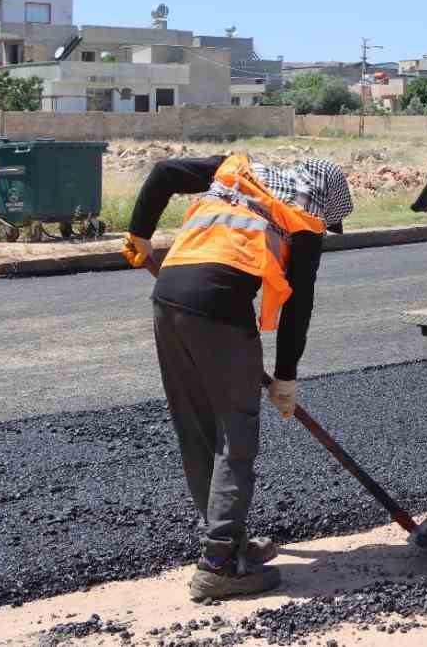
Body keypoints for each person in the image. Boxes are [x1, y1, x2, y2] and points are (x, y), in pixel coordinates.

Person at [122, 154, 354, 601]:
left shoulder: (235, 169)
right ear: (324, 200)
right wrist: (286, 377)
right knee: (236, 436)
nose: (324, 224)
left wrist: (141, 236)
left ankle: (229, 540)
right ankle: (219, 565)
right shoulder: (303, 220)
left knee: (196, 430)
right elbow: (297, 307)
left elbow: (164, 173)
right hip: (220, 309)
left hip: (167, 298)